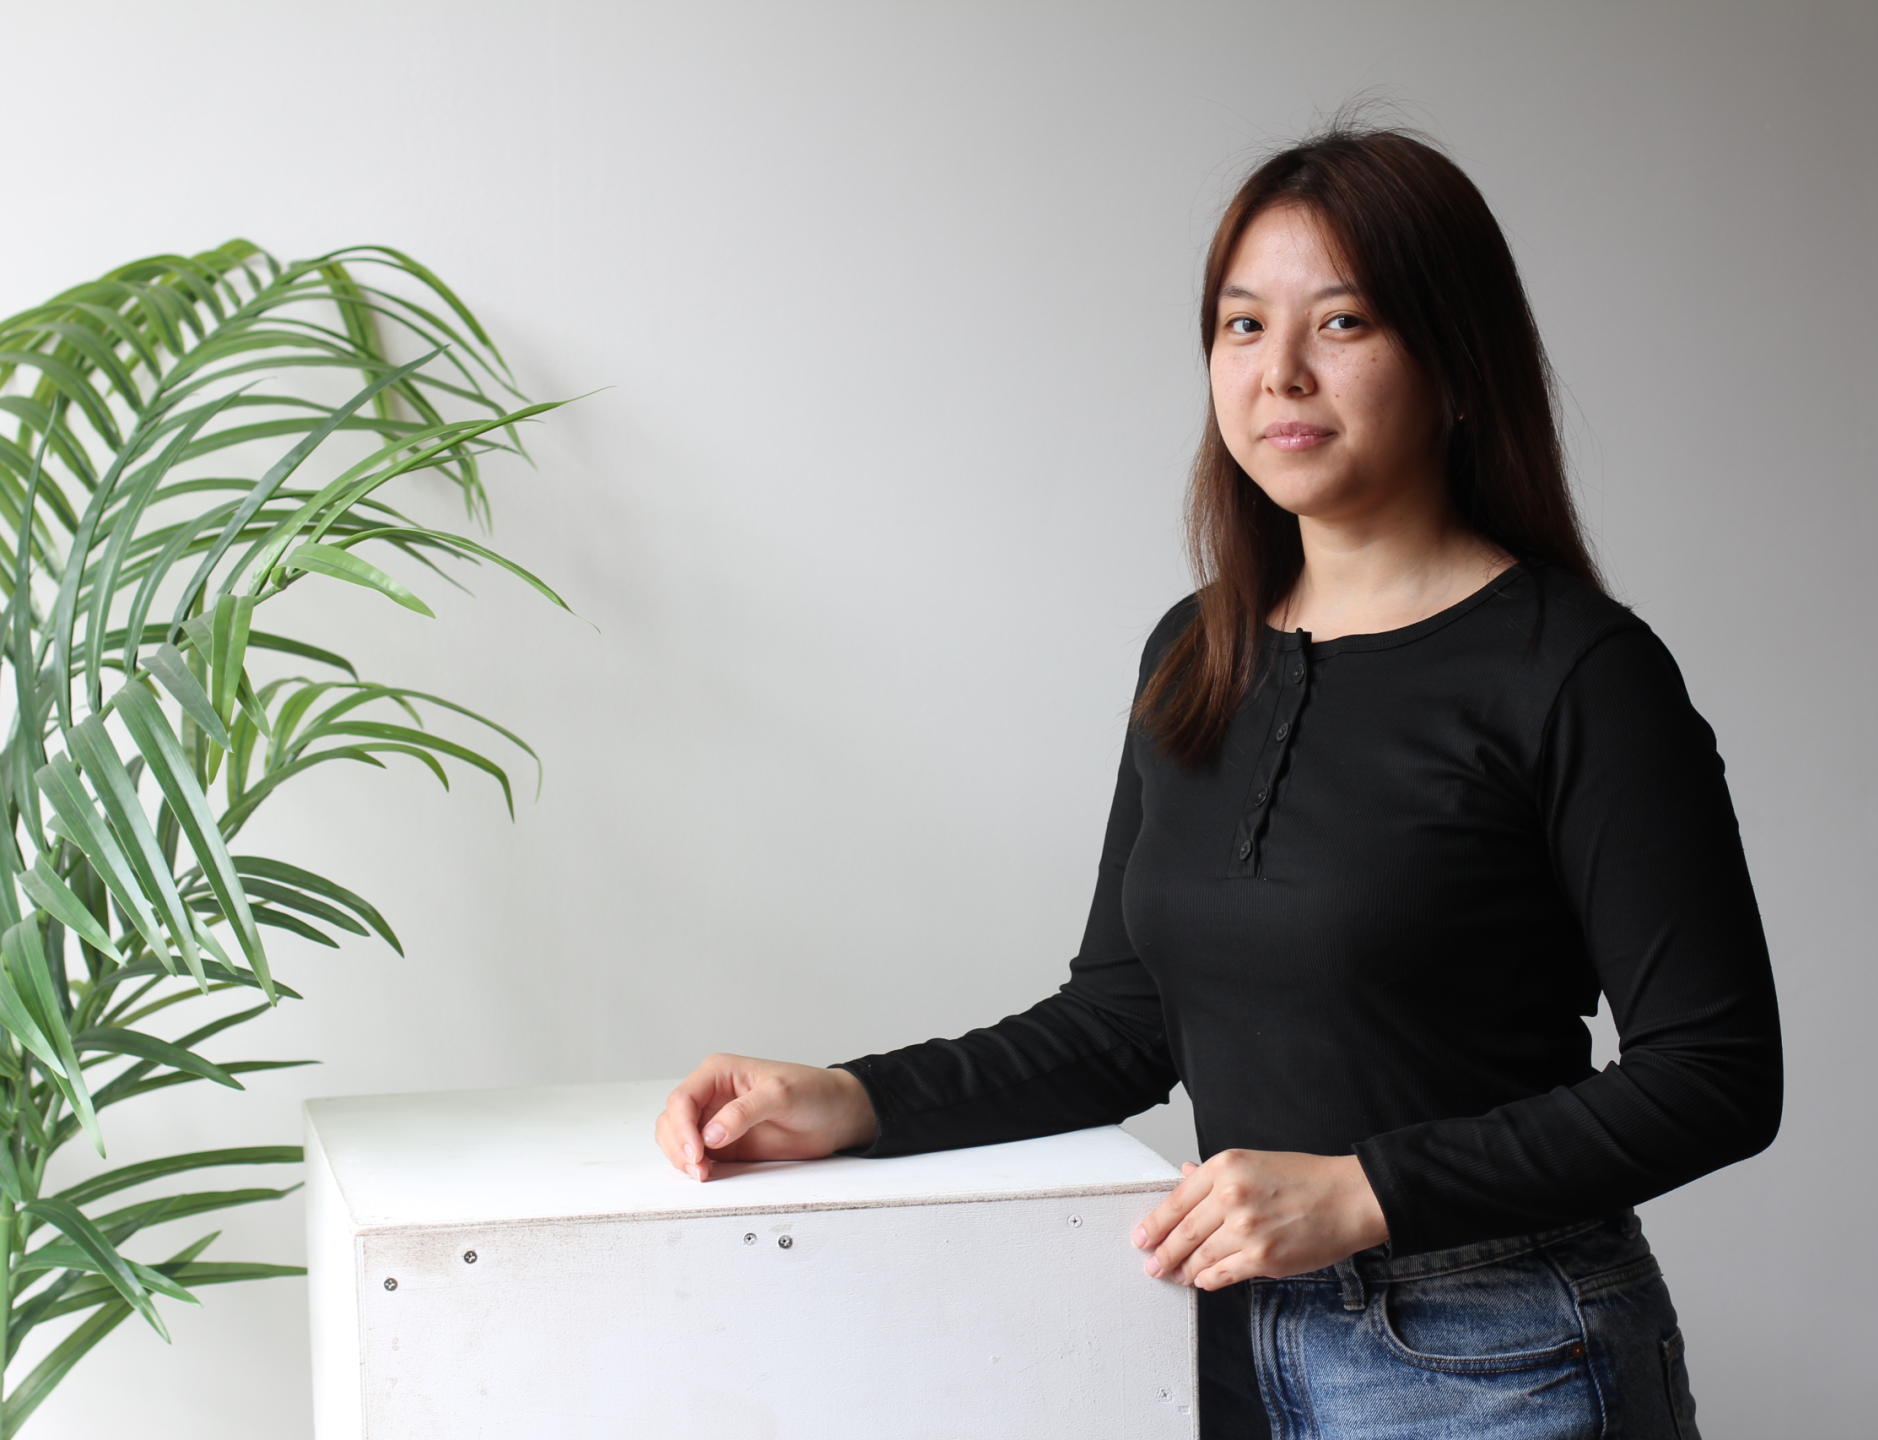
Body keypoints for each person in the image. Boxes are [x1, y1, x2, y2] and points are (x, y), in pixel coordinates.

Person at [653, 115, 1781, 1440]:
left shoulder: (1577, 669)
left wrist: (1363, 1192)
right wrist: (854, 1099)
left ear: (1458, 360)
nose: (1281, 372)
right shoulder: (1196, 651)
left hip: (1498, 1360)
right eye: (1244, 326)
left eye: (1343, 323)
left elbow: (1715, 1073)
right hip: (1223, 1343)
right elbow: (1125, 1022)